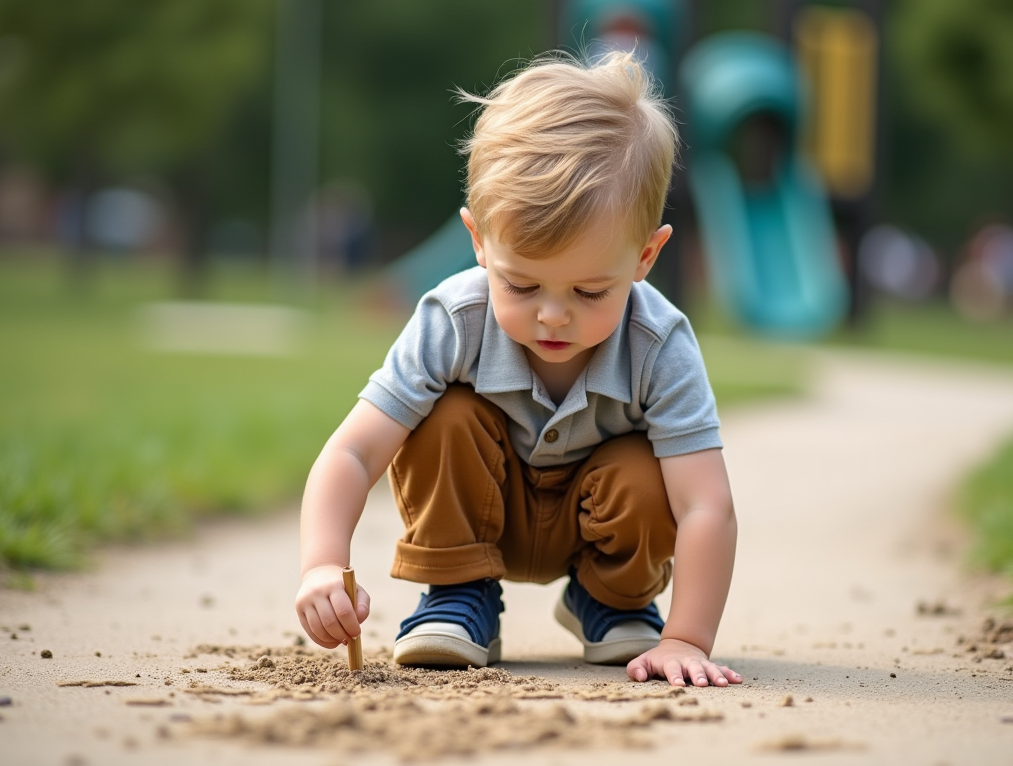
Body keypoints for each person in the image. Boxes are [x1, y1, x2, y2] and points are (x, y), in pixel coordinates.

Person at [294, 50, 741, 689]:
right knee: (442, 416)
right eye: (522, 285)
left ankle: (612, 601)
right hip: (480, 504)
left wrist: (687, 639)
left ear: (645, 257)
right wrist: (320, 565)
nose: (553, 316)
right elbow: (354, 453)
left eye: (589, 293)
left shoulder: (658, 342)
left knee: (655, 471)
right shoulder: (453, 319)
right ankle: (457, 593)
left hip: (601, 520)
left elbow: (705, 505)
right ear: (479, 242)